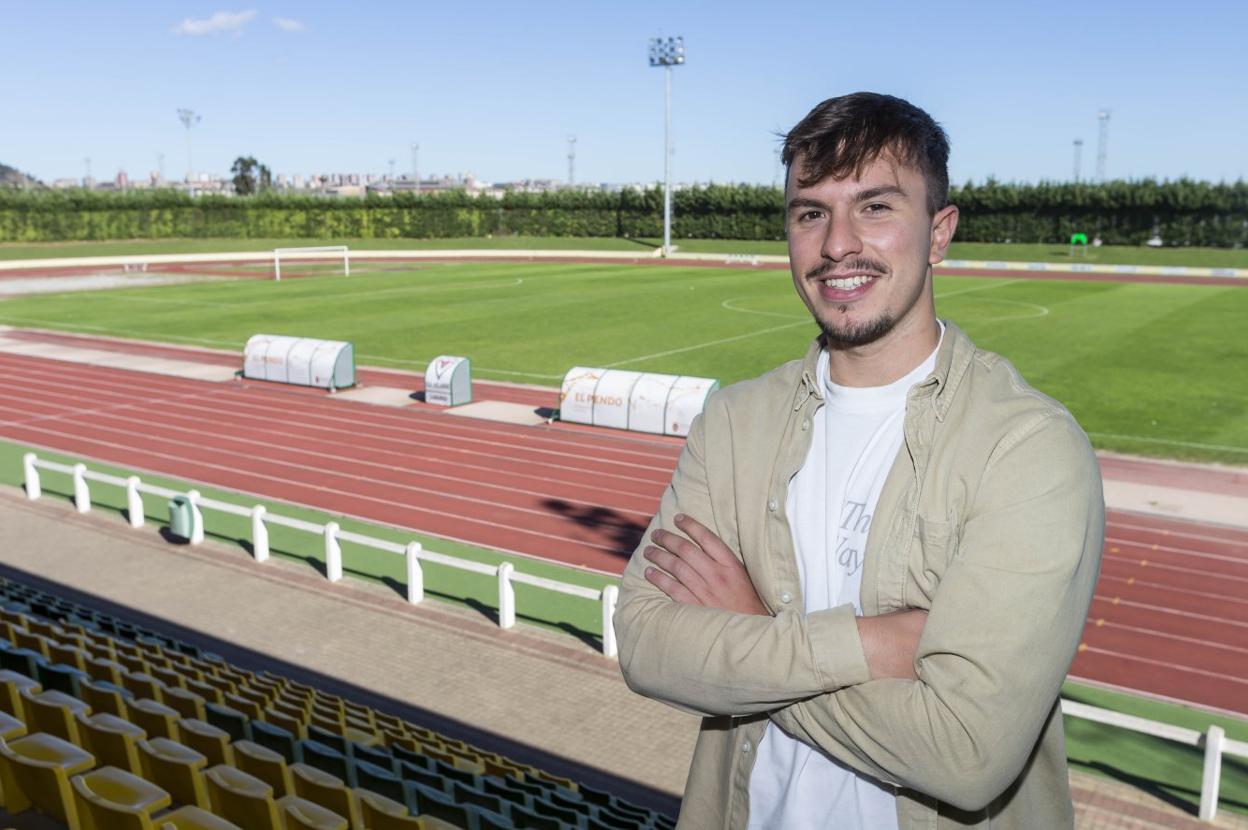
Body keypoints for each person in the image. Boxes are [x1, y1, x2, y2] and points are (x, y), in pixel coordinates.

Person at [614, 92, 1105, 829]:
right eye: (811, 212)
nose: (838, 243)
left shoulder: (1028, 447)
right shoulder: (735, 421)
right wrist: (872, 643)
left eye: (875, 207)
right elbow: (648, 645)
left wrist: (750, 630)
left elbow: (967, 756)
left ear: (939, 234)